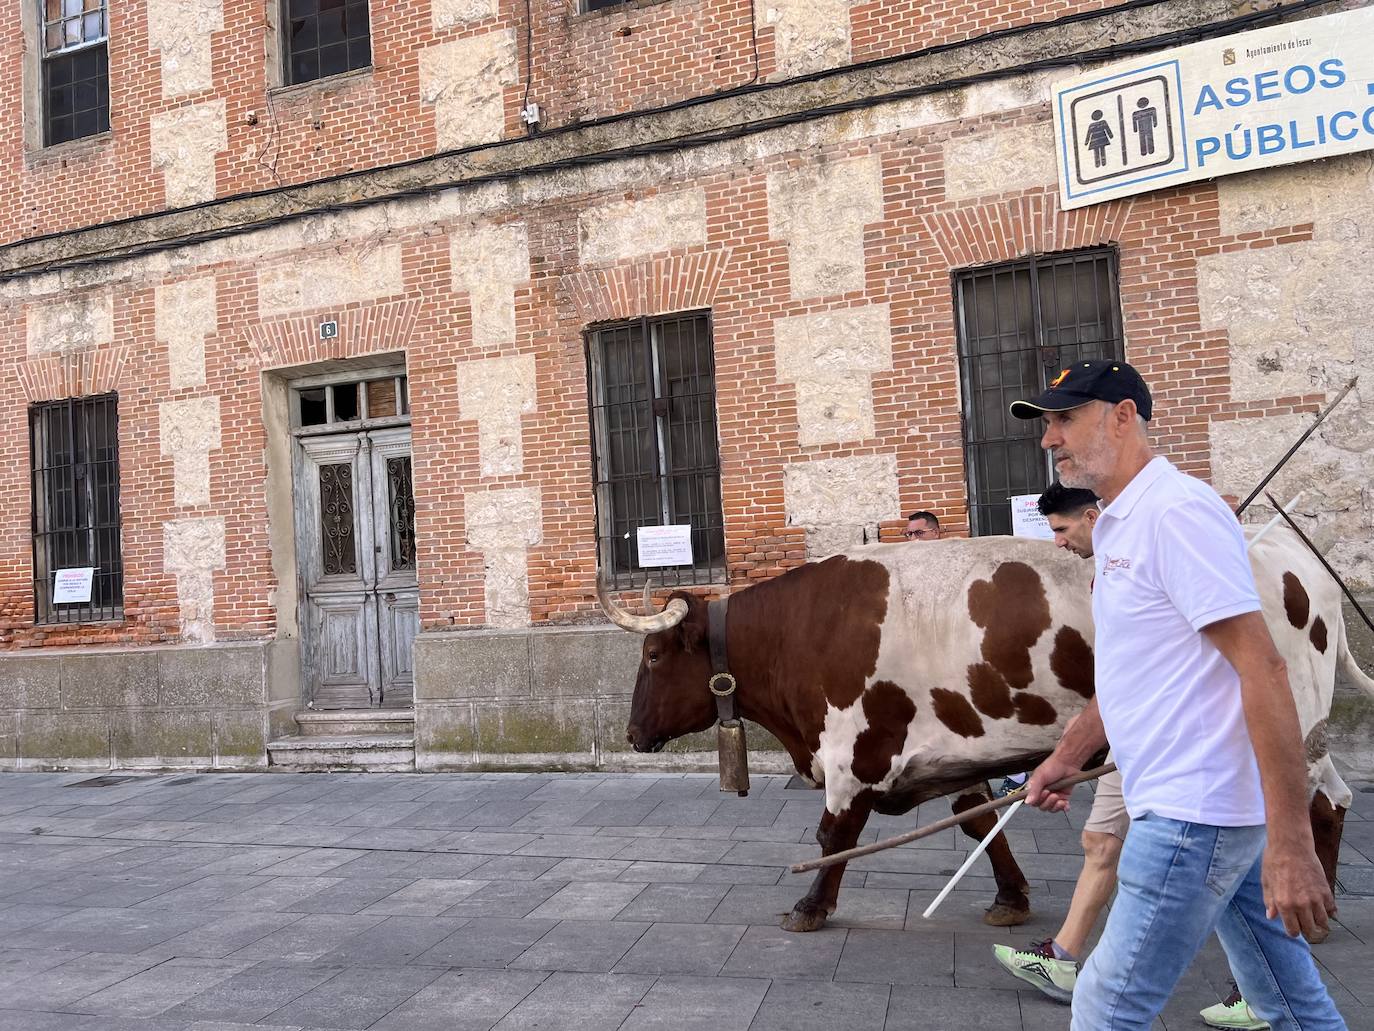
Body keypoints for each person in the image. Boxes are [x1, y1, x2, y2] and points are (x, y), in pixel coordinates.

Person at [1005, 360, 1344, 1030]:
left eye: (1065, 418)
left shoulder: (1176, 512)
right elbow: (1141, 669)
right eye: (1047, 423)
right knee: (1287, 998)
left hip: (1195, 813)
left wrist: (1293, 841)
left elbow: (1265, 669)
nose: (1050, 440)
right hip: (1205, 810)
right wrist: (1067, 754)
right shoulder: (1122, 523)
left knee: (1106, 1003)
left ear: (1123, 415)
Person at [992, 480, 1270, 1030]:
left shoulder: (1166, 535)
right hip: (1142, 744)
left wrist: (1074, 751)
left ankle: (1071, 962)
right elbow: (1124, 674)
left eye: (1063, 529)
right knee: (1118, 848)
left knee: (1109, 1003)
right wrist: (1076, 746)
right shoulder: (1110, 570)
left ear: (1097, 517)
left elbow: (1257, 668)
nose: (1058, 543)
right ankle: (1068, 958)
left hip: (1184, 772)